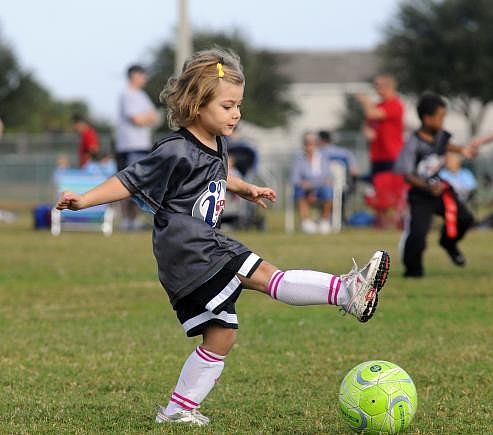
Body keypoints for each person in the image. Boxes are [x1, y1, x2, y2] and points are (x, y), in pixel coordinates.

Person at [56, 48, 390, 427]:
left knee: (222, 336)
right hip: (191, 249)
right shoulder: (175, 149)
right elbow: (129, 179)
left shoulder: (217, 141)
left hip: (198, 250)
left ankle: (178, 410)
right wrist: (85, 200)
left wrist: (245, 188)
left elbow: (217, 175)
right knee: (267, 276)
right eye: (228, 105)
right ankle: (347, 292)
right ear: (197, 105)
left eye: (239, 105)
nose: (236, 114)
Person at [394, 93, 477, 278]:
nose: (443, 121)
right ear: (427, 118)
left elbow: (446, 145)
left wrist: (464, 150)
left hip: (441, 191)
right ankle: (413, 271)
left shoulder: (439, 136)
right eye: (440, 117)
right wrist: (426, 186)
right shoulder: (413, 143)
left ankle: (448, 243)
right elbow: (406, 175)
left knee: (465, 219)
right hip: (421, 195)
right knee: (418, 235)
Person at [115, 64, 159, 230]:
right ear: (134, 75)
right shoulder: (128, 94)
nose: (145, 78)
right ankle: (127, 219)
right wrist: (148, 118)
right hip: (129, 147)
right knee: (127, 185)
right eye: (142, 75)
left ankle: (134, 219)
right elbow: (137, 119)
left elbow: (153, 117)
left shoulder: (141, 95)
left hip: (142, 146)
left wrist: (148, 117)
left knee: (140, 186)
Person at [357, 74, 404, 178]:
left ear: (388, 86)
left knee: (391, 189)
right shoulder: (378, 105)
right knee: (378, 188)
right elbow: (367, 122)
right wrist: (367, 130)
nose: (376, 88)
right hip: (377, 155)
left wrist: (365, 101)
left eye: (378, 85)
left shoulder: (395, 104)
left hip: (391, 155)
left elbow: (372, 114)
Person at [292, 132, 335, 234]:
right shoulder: (298, 158)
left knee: (328, 190)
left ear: (316, 143)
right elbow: (294, 178)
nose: (309, 145)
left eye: (312, 143)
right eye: (307, 143)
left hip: (321, 188)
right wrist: (306, 185)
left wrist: (314, 186)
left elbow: (328, 176)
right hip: (304, 188)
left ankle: (325, 221)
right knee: (299, 191)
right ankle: (306, 222)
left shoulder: (324, 157)